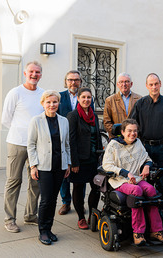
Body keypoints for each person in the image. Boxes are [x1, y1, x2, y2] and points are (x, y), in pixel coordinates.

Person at [102, 119, 163, 246]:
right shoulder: (114, 144)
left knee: (151, 190)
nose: (132, 134)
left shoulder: (138, 142)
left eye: (135, 131)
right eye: (129, 131)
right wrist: (125, 173)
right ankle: (138, 233)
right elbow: (106, 165)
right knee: (137, 191)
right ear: (122, 132)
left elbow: (147, 158)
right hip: (120, 180)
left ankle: (156, 230)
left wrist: (147, 165)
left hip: (136, 179)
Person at [1, 61, 45, 233]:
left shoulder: (43, 94)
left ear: (41, 74)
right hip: (17, 143)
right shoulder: (15, 93)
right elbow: (5, 119)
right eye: (31, 72)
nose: (34, 75)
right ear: (25, 73)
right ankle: (9, 219)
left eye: (38, 72)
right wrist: (21, 131)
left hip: (37, 145)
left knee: (36, 181)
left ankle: (30, 215)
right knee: (14, 181)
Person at [27, 90, 71, 245]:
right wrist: (33, 166)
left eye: (55, 102)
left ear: (58, 103)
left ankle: (49, 228)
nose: (52, 105)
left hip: (60, 165)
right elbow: (31, 145)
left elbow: (67, 144)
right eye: (48, 102)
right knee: (46, 200)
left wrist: (68, 164)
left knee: (53, 199)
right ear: (43, 103)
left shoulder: (64, 121)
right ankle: (43, 231)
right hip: (43, 166)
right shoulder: (36, 121)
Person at [129, 73, 163, 210]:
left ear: (160, 84)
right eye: (151, 84)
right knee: (143, 180)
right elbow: (131, 124)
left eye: (156, 84)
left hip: (162, 148)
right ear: (146, 86)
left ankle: (159, 212)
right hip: (144, 148)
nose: (154, 87)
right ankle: (146, 211)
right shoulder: (140, 104)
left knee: (161, 182)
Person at [57, 70, 94, 216]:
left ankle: (80, 203)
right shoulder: (60, 97)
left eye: (77, 80)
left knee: (81, 176)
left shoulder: (86, 97)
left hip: (80, 142)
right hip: (62, 140)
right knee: (65, 173)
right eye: (70, 80)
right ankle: (66, 202)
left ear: (81, 82)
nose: (74, 83)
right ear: (66, 81)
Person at [67, 87, 102, 229]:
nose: (86, 100)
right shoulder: (73, 116)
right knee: (78, 187)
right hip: (80, 160)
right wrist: (74, 162)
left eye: (89, 97)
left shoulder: (94, 116)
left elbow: (98, 137)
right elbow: (71, 140)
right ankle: (81, 217)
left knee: (96, 187)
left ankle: (92, 215)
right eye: (83, 97)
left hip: (94, 159)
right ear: (79, 99)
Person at [103, 72, 141, 138]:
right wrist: (119, 133)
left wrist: (134, 133)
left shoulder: (139, 99)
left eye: (127, 81)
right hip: (117, 138)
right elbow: (107, 122)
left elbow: (142, 121)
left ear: (131, 84)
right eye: (121, 82)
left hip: (134, 138)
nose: (124, 84)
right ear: (117, 84)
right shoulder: (110, 100)